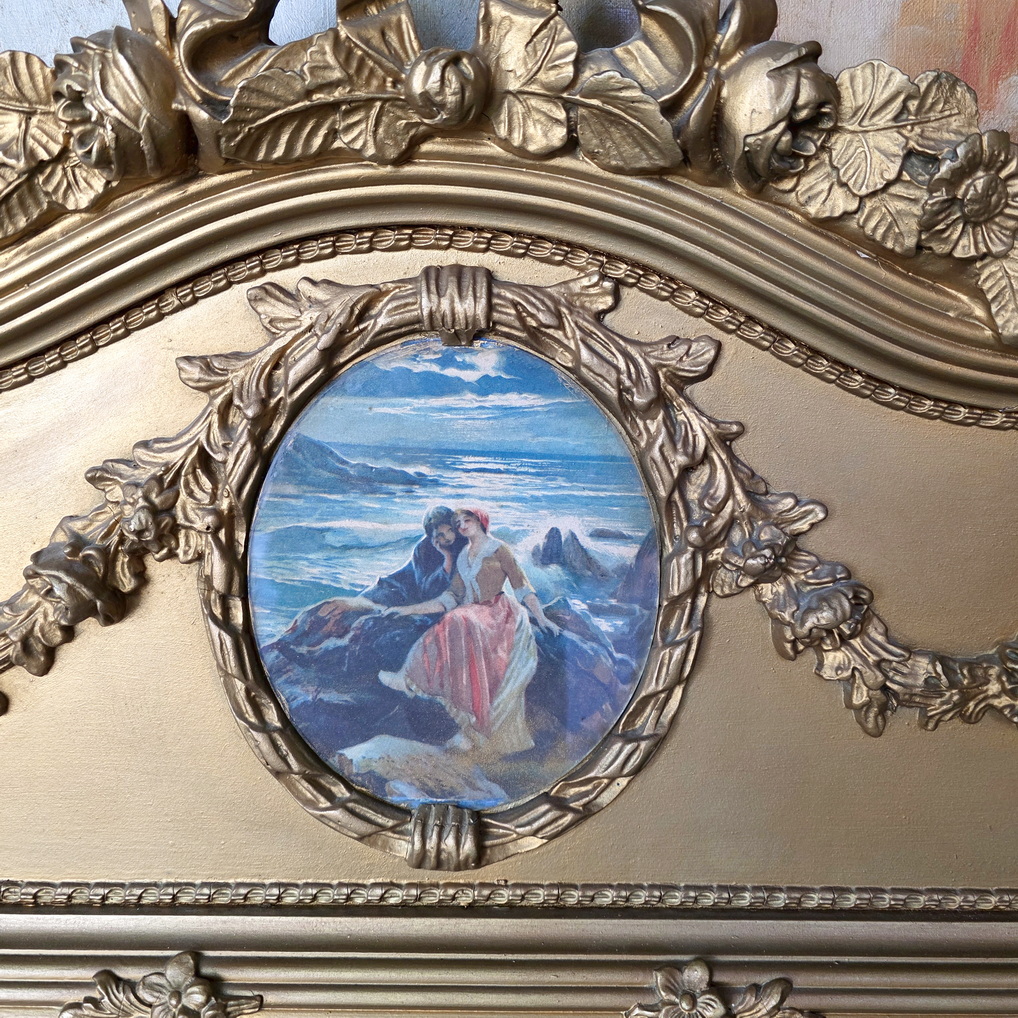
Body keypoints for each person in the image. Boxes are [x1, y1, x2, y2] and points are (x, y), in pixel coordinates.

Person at [378, 508, 560, 756]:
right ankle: (408, 677)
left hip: (499, 613)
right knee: (451, 623)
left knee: (458, 618)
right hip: (472, 614)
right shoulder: (463, 555)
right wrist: (407, 610)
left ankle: (474, 726)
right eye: (459, 522)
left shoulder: (499, 549)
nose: (462, 525)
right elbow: (450, 598)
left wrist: (542, 618)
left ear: (481, 522)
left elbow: (522, 587)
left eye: (467, 520)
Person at [337, 506, 465, 610]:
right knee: (351, 609)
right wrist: (447, 558)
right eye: (440, 534)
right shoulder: (424, 548)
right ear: (432, 537)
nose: (447, 537)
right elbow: (426, 592)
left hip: (411, 598)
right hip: (395, 589)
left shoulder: (463, 541)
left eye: (450, 530)